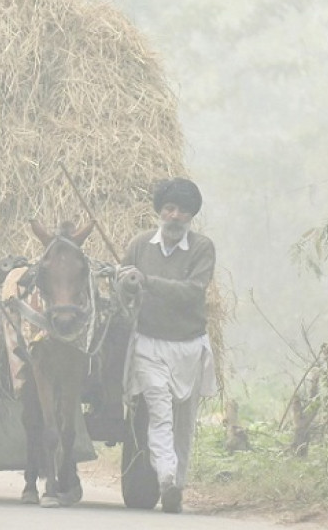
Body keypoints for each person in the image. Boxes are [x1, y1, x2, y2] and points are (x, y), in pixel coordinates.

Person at [118, 177, 217, 514]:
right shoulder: (139, 245)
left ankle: (178, 486)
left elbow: (193, 291)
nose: (175, 216)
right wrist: (126, 284)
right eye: (170, 208)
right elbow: (122, 292)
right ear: (159, 211)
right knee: (159, 413)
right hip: (148, 344)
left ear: (191, 216)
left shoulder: (203, 248)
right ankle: (166, 479)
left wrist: (147, 281)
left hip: (190, 347)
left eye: (183, 211)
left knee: (183, 422)